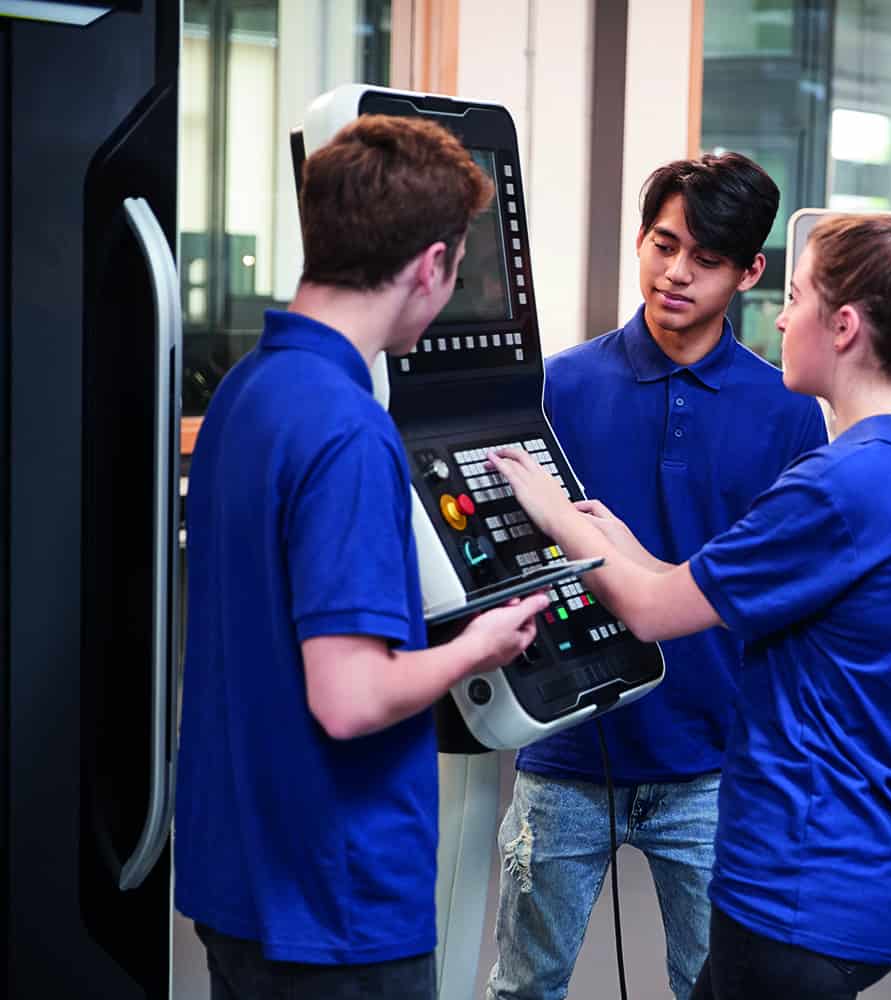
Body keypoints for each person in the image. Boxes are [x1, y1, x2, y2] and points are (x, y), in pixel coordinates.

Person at [490, 213, 891, 1000]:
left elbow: (657, 612)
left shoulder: (836, 487)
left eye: (793, 298)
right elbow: (707, 586)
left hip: (801, 880)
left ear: (845, 326)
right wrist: (616, 539)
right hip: (872, 867)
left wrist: (552, 511)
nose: (783, 318)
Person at [173, 115, 551, 999]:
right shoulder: (349, 432)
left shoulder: (245, 390)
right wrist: (481, 646)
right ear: (431, 265)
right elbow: (348, 700)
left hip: (242, 880)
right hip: (337, 906)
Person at [486, 153, 827, 1000]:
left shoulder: (787, 409)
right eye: (663, 243)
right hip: (566, 747)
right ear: (641, 239)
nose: (675, 274)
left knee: (709, 989)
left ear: (751, 272)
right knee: (523, 988)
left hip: (713, 764)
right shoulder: (559, 385)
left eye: (705, 260)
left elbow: (788, 594)